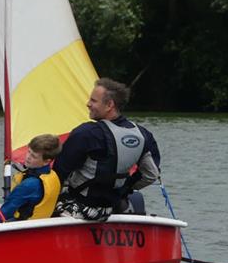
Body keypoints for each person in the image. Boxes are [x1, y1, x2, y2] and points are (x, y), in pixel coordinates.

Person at [54, 78, 160, 221]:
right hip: (110, 209)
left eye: (93, 100)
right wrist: (124, 189)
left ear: (109, 104)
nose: (88, 104)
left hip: (79, 209)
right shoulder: (143, 135)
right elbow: (150, 175)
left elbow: (58, 174)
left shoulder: (86, 133)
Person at [0, 134, 62, 222]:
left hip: (21, 229)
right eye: (29, 152)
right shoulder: (52, 175)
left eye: (33, 156)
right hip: (40, 227)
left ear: (47, 161)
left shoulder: (30, 184)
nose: (28, 157)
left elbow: (6, 212)